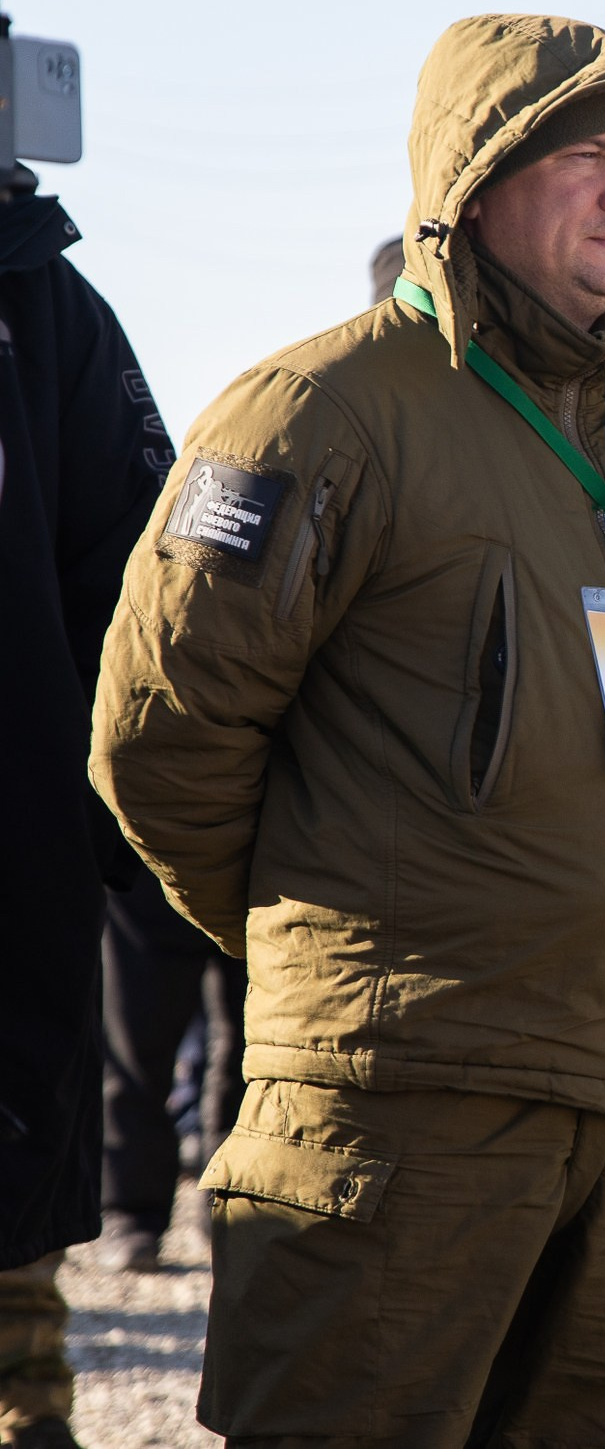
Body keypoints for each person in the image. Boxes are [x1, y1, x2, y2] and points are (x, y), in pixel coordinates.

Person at [90, 13, 605, 1446]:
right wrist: (344, 955)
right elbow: (162, 731)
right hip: (401, 1106)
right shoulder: (322, 411)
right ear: (471, 184)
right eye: (584, 153)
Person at [0, 173, 173, 1449]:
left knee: (10, 1275)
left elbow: (142, 598)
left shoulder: (41, 303)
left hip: (13, 866)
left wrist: (126, 829)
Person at [94, 881, 248, 1273]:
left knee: (254, 1046)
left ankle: (233, 1202)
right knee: (136, 1039)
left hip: (263, 860)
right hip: (153, 862)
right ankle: (130, 1212)